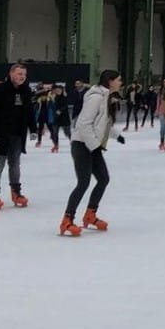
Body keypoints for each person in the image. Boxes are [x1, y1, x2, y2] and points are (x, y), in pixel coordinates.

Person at [59, 69, 126, 236]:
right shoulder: (96, 97)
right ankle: (67, 220)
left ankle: (90, 214)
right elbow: (83, 124)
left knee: (103, 179)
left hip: (92, 145)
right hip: (82, 144)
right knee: (83, 183)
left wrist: (116, 135)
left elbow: (102, 124)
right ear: (110, 81)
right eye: (118, 80)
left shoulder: (106, 97)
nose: (121, 83)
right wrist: (95, 146)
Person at [0, 63, 37, 209]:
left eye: (24, 75)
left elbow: (29, 111)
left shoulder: (26, 90)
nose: (22, 77)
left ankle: (16, 192)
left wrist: (33, 129)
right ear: (11, 73)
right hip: (1, 134)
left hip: (18, 135)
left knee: (15, 164)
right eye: (19, 74)